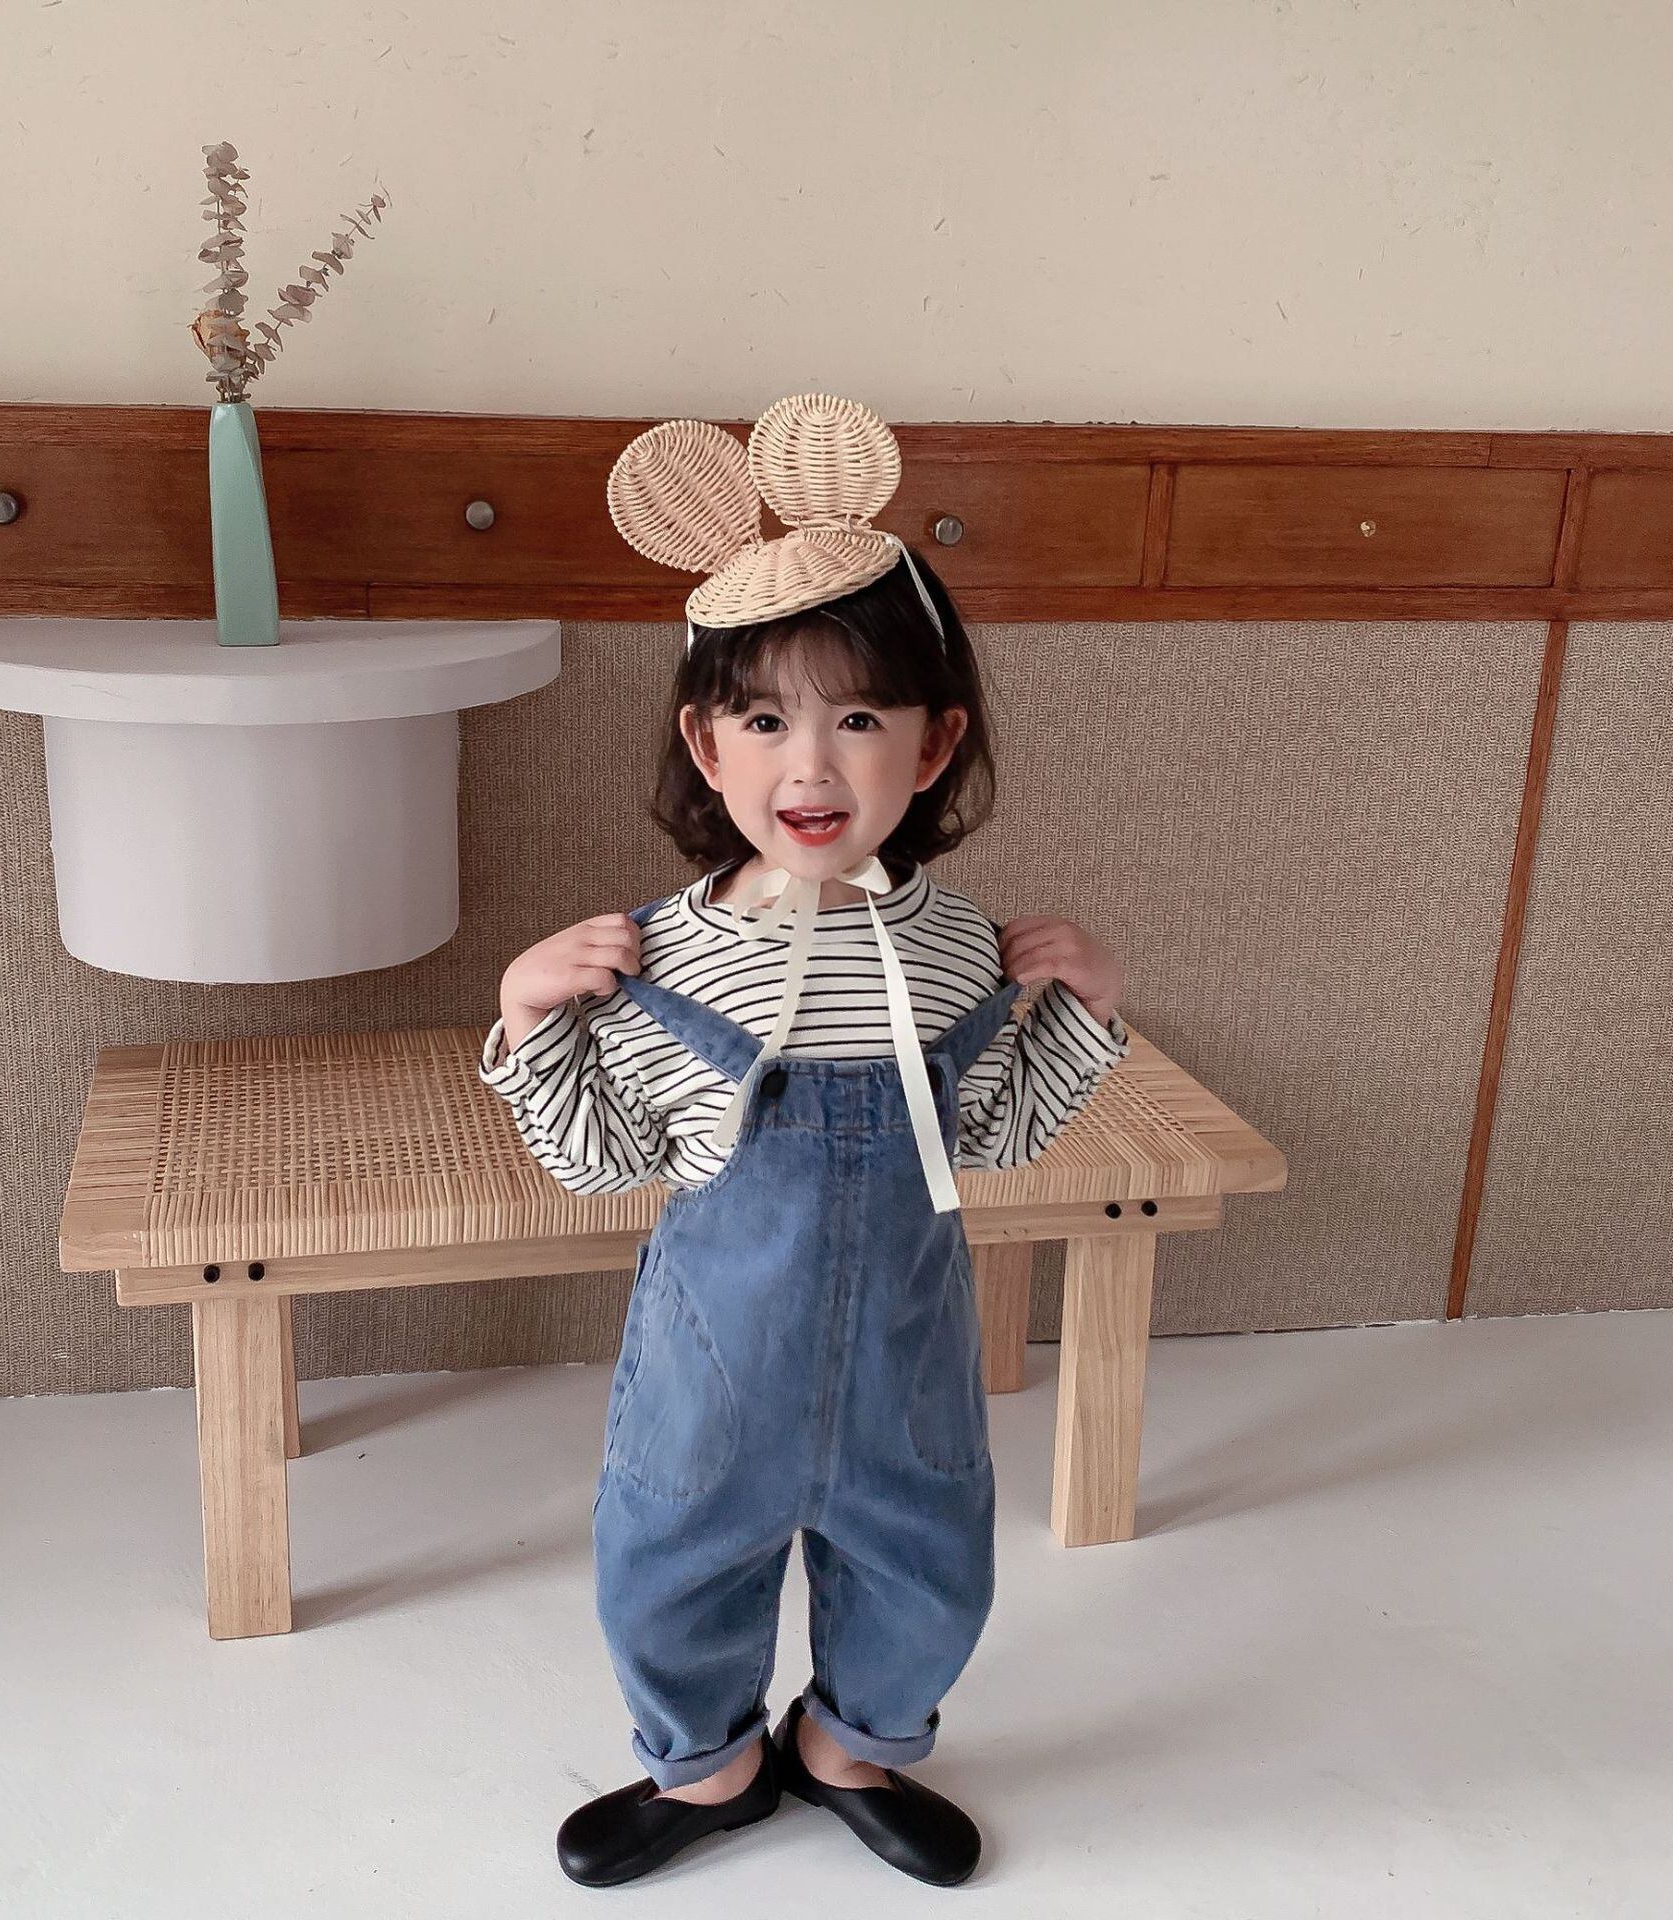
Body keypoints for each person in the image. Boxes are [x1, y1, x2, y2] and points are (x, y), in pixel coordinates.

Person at [480, 394, 1129, 1888]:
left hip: (909, 1350)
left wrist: (1085, 1011)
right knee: (668, 1558)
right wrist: (529, 1019)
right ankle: (707, 1769)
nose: (813, 766)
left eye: (861, 718)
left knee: (927, 1557)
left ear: (935, 740)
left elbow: (995, 1134)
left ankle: (852, 1746)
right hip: (714, 1365)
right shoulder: (658, 959)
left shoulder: (960, 954)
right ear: (707, 746)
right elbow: (595, 1159)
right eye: (767, 721)